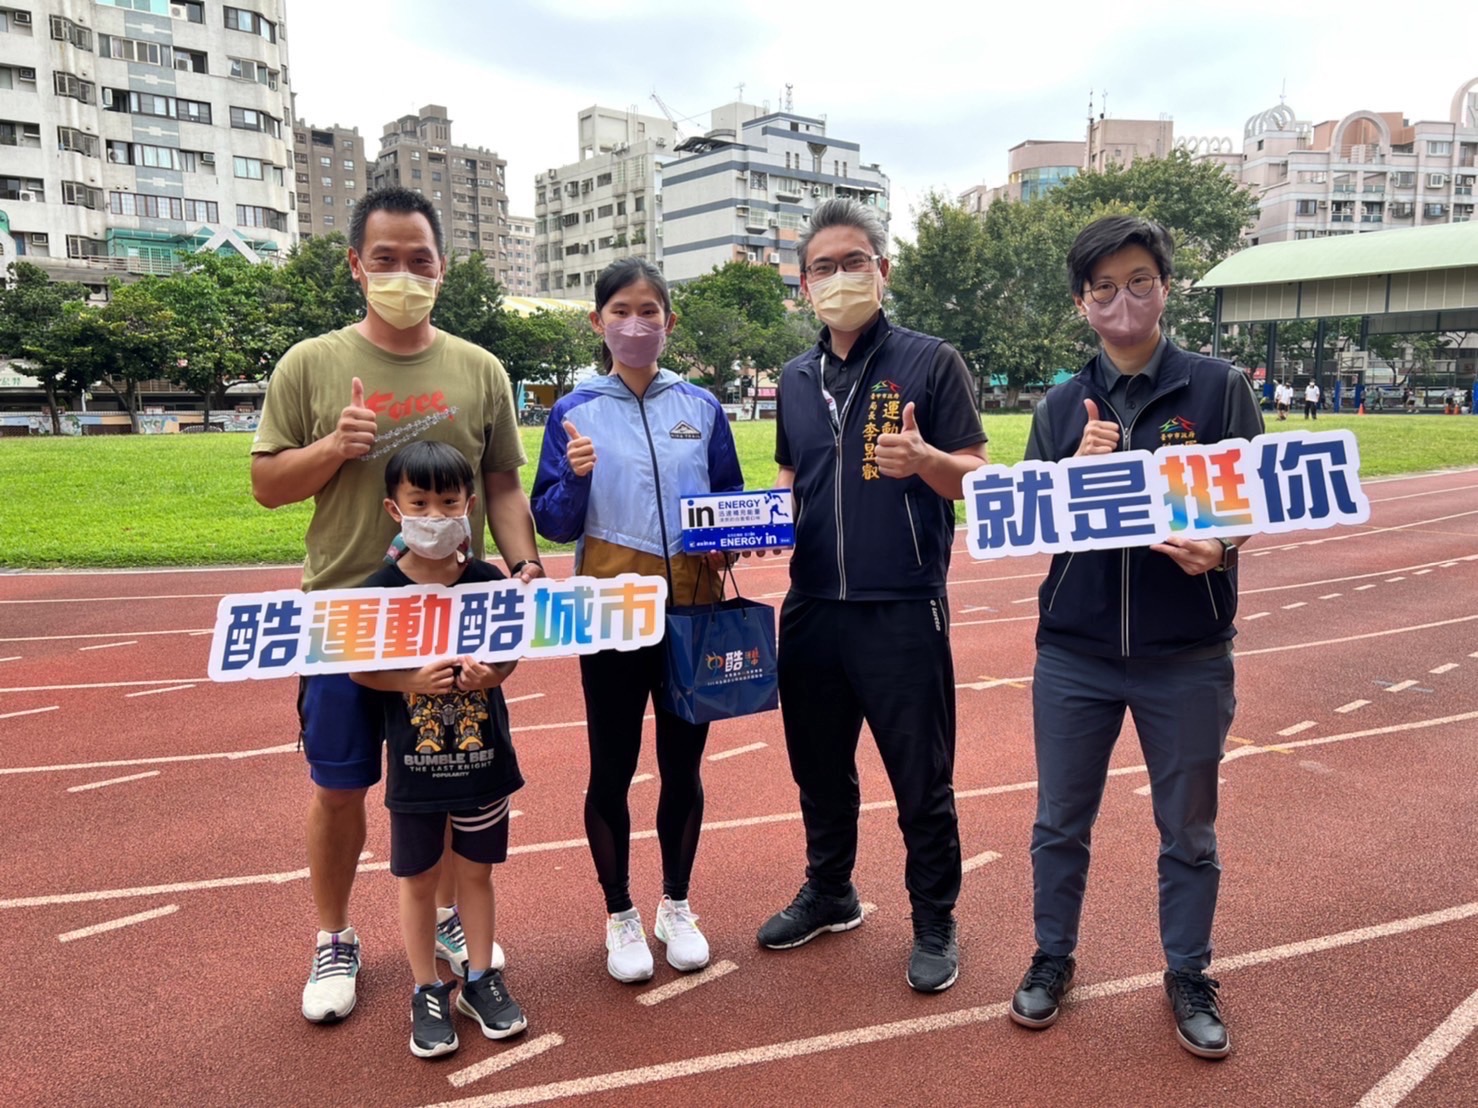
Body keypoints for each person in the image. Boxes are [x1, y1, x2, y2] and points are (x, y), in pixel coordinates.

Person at [250, 186, 544, 1024]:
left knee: (449, 778)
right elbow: (267, 484)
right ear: (357, 264)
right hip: (346, 614)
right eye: (386, 259)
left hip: (453, 613)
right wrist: (331, 447)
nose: (404, 274)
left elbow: (501, 485)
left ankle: (450, 918)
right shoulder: (309, 363)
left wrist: (524, 564)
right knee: (340, 786)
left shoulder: (479, 369)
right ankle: (335, 935)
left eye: (420, 260)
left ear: (442, 268)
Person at [1008, 215, 1263, 1059]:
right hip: (1074, 652)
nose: (1124, 300)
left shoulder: (1217, 389)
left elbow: (1250, 502)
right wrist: (1072, 475)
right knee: (1059, 821)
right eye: (1105, 288)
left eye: (1140, 282)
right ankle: (1052, 956)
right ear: (1082, 303)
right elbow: (1033, 521)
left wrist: (1221, 547)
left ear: (1165, 287)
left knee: (1189, 829)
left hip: (1187, 654)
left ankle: (1188, 971)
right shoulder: (1059, 405)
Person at [756, 198, 988, 993]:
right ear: (803, 285)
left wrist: (926, 460)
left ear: (883, 270)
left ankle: (935, 920)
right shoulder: (794, 378)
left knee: (921, 777)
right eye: (822, 267)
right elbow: (791, 473)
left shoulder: (931, 362)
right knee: (818, 768)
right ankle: (831, 891)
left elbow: (976, 475)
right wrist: (765, 517)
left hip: (903, 603)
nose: (839, 278)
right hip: (814, 604)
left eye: (854, 262)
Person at [531, 258, 744, 983]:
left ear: (669, 322)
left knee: (683, 766)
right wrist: (574, 477)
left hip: (692, 607)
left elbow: (729, 502)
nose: (635, 323)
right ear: (598, 322)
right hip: (611, 612)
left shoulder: (702, 407)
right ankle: (619, 911)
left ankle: (675, 904)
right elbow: (554, 523)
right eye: (620, 310)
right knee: (612, 767)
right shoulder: (573, 411)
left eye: (649, 310)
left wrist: (732, 541)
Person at [352, 442, 527, 1058]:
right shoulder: (378, 590)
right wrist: (410, 680)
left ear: (469, 506)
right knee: (419, 878)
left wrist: (492, 676)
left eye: (448, 503)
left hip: (483, 762)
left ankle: (480, 978)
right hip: (416, 767)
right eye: (420, 503)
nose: (435, 515)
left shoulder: (487, 582)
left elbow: (510, 654)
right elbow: (359, 670)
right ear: (394, 510)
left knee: (476, 873)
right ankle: (427, 987)